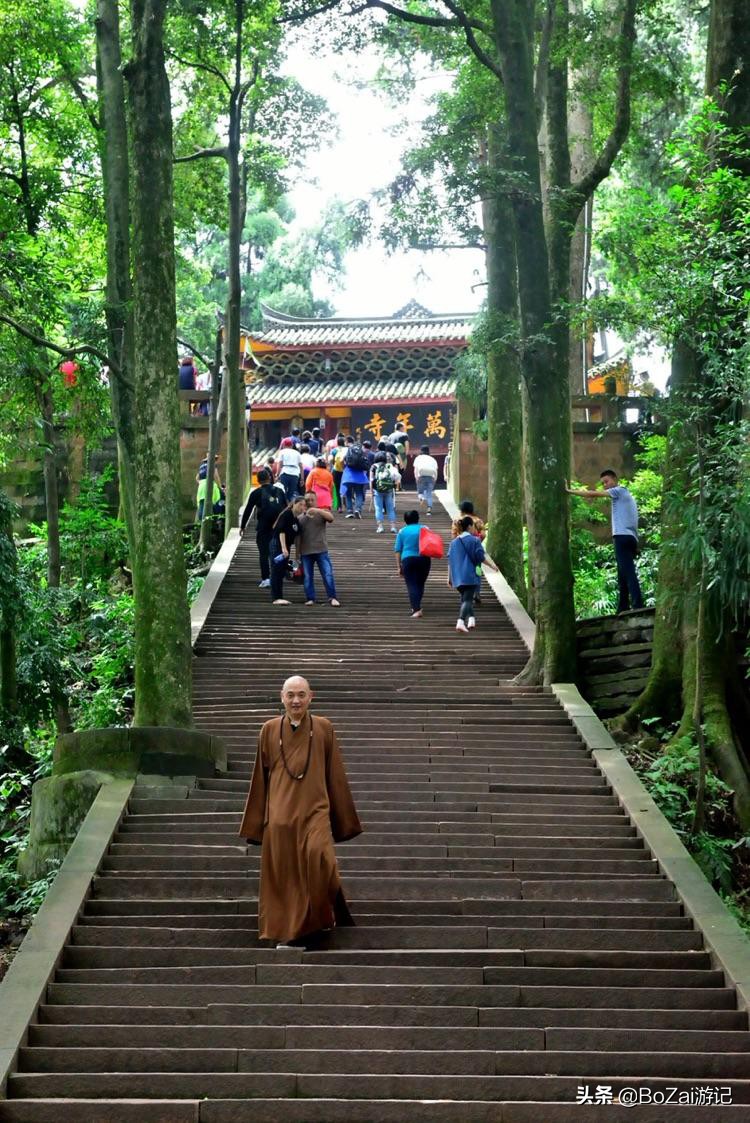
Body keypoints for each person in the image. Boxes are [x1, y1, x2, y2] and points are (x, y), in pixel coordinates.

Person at [238, 675, 362, 947]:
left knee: (321, 859)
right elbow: (260, 778)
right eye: (291, 695)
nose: (296, 700)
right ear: (282, 697)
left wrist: (341, 819)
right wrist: (257, 824)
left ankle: (318, 918)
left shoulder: (324, 728)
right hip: (279, 816)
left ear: (311, 697)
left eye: (301, 695)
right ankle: (291, 931)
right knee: (284, 876)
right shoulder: (269, 730)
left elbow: (335, 774)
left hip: (315, 812)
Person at [567, 469, 644, 613]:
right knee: (622, 573)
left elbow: (592, 494)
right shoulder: (627, 496)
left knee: (628, 572)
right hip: (630, 538)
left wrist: (569, 491)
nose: (605, 485)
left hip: (621, 537)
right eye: (603, 483)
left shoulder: (619, 491)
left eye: (607, 481)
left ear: (615, 479)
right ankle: (623, 607)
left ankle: (638, 605)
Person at [448, 515, 498, 632]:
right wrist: (492, 566)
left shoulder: (454, 542)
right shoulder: (475, 540)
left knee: (465, 598)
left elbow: (450, 560)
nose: (475, 529)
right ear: (470, 526)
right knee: (467, 600)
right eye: (474, 526)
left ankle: (471, 619)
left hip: (457, 576)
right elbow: (481, 557)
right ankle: (460, 621)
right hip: (469, 576)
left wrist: (449, 577)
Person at [240, 468, 287, 588]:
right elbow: (286, 508)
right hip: (279, 527)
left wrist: (243, 526)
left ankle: (266, 578)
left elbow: (248, 510)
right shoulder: (279, 491)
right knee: (278, 551)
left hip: (263, 526)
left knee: (263, 553)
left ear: (258, 480)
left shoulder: (256, 493)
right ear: (269, 478)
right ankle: (279, 575)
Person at [298, 494, 340, 606]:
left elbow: (331, 518)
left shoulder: (321, 513)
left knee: (327, 574)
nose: (310, 502)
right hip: (305, 551)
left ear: (316, 501)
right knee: (308, 576)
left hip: (321, 549)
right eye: (307, 500)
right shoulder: (300, 517)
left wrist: (317, 510)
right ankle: (310, 598)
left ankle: (332, 597)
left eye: (312, 500)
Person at [268, 496, 307, 605]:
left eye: (304, 506)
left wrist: (297, 554)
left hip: (286, 546)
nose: (302, 507)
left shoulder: (295, 519)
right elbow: (281, 531)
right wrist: (284, 548)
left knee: (287, 567)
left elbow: (297, 536)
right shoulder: (287, 514)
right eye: (300, 504)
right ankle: (276, 597)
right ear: (294, 504)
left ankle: (292, 576)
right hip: (278, 544)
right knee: (277, 570)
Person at [394, 509, 431, 618]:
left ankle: (416, 609)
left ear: (405, 520)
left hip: (408, 559)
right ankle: (416, 605)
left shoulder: (402, 531)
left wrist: (398, 566)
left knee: (411, 584)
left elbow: (398, 550)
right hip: (424, 558)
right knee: (420, 583)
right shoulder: (425, 529)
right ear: (418, 519)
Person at [370, 451, 400, 533]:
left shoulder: (374, 466)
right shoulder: (389, 466)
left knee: (378, 508)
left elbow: (371, 480)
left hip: (377, 490)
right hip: (389, 490)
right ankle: (393, 527)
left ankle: (380, 527)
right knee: (390, 509)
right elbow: (396, 478)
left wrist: (371, 491)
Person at [341, 437, 369, 519]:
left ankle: (350, 511)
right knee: (359, 493)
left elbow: (343, 461)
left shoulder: (349, 451)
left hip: (348, 476)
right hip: (359, 477)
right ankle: (358, 510)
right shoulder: (362, 452)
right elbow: (365, 464)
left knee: (348, 494)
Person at [274, 437, 303, 502]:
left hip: (285, 472)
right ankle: (289, 505)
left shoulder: (282, 452)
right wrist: (302, 479)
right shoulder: (297, 453)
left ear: (284, 445)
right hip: (295, 474)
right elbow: (301, 466)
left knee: (282, 491)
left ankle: (283, 505)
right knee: (291, 493)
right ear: (292, 445)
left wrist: (277, 475)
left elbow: (280, 464)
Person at [413, 444, 439, 515]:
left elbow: (416, 469)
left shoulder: (418, 458)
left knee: (420, 492)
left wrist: (416, 478)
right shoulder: (432, 459)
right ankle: (429, 510)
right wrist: (435, 479)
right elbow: (436, 470)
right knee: (429, 494)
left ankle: (422, 498)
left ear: (421, 451)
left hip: (421, 476)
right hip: (431, 477)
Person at [329, 436, 347, 510]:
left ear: (337, 443)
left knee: (337, 488)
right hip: (346, 471)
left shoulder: (334, 450)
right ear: (344, 443)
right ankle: (346, 502)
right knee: (346, 486)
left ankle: (339, 506)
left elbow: (330, 459)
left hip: (336, 470)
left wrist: (333, 464)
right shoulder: (347, 449)